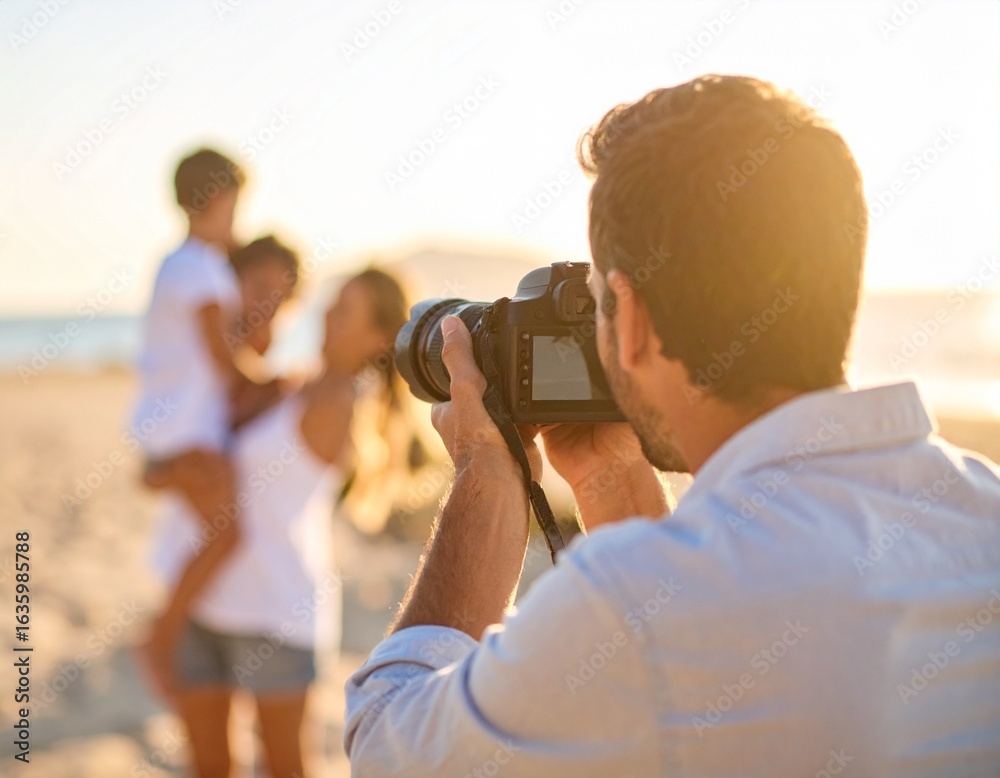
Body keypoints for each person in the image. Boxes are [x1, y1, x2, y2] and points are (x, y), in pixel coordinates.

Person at [343, 75, 1000, 776]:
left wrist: (485, 472)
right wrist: (614, 481)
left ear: (633, 322)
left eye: (596, 303)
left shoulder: (631, 611)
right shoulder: (980, 509)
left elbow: (389, 748)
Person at [148, 267, 409, 778]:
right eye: (330, 303)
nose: (327, 316)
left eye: (345, 311)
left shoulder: (340, 403)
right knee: (208, 768)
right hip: (210, 606)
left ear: (377, 339)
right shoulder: (295, 384)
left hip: (277, 616)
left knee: (285, 771)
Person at [134, 149, 281, 695]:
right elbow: (222, 354)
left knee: (216, 533)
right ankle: (162, 635)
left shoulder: (184, 262)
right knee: (228, 534)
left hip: (174, 429)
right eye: (235, 204)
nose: (237, 218)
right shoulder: (197, 267)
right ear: (219, 200)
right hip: (183, 434)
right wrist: (273, 383)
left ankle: (174, 633)